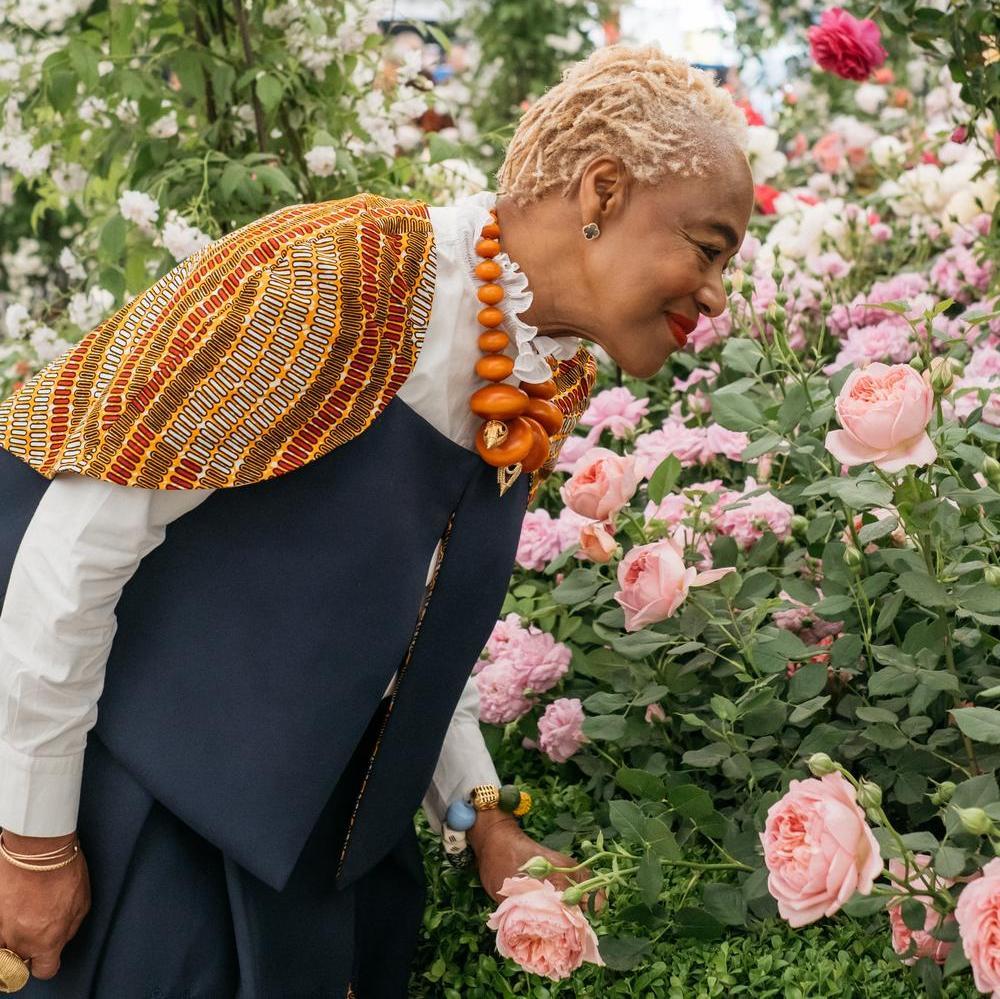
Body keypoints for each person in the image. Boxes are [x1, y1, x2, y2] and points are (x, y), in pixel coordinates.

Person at [0, 43, 753, 997]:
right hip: (137, 837)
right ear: (603, 188)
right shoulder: (338, 277)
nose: (719, 292)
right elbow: (74, 546)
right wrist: (31, 840)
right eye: (710, 245)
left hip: (311, 865)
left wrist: (484, 817)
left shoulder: (547, 372)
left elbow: (405, 625)